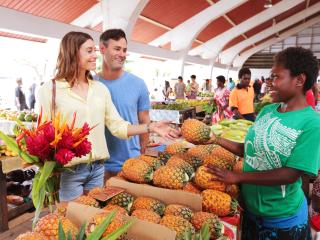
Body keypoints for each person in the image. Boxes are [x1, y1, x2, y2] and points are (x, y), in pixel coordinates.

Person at [36, 31, 179, 202]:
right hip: (69, 171)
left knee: (93, 222)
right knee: (72, 223)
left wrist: (150, 126)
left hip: (97, 169)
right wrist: (47, 168)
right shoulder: (50, 89)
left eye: (94, 50)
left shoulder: (99, 89)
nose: (94, 55)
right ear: (73, 52)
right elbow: (43, 134)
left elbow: (118, 126)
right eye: (89, 51)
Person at [207, 47, 320, 240]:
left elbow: (291, 174)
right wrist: (216, 139)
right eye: (269, 77)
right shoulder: (268, 111)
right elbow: (249, 150)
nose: (269, 83)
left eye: (276, 77)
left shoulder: (312, 123)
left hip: (282, 221)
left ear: (299, 80)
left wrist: (238, 177)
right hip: (250, 212)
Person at [96, 29, 152, 179]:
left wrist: (141, 155)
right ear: (102, 48)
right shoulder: (91, 84)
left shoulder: (138, 84)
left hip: (131, 165)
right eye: (117, 49)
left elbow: (144, 121)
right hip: (98, 167)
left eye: (124, 50)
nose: (122, 54)